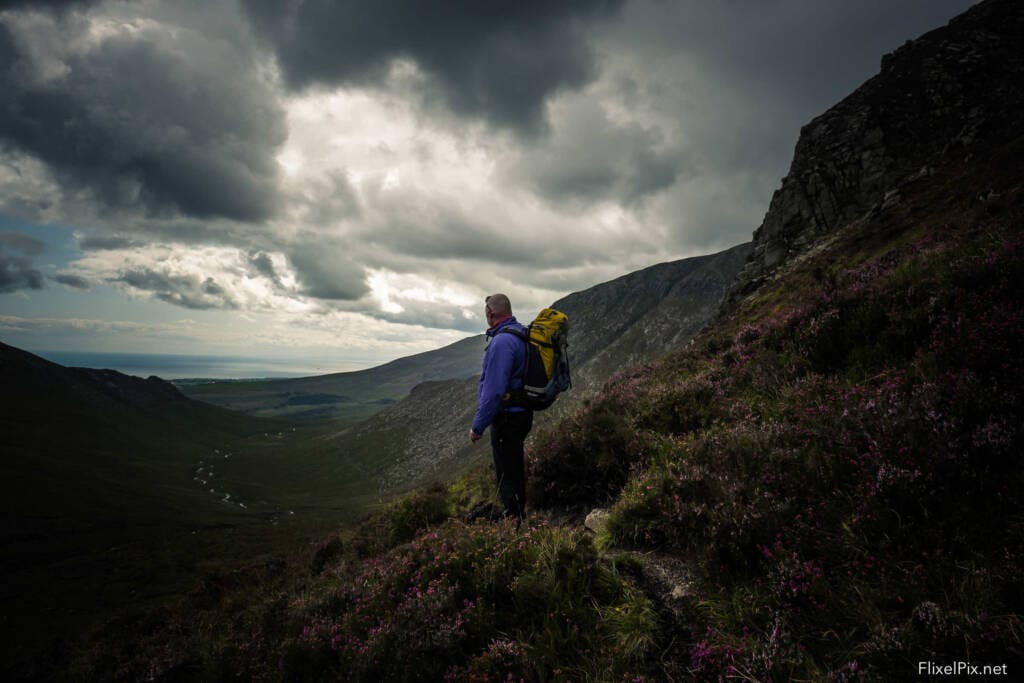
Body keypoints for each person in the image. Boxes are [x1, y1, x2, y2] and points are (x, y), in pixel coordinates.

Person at [469, 293, 533, 521]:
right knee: (513, 465)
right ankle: (516, 513)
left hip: (507, 417)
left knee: (507, 471)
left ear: (490, 314)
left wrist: (478, 426)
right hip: (522, 412)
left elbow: (495, 391)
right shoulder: (519, 333)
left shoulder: (502, 342)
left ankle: (514, 520)